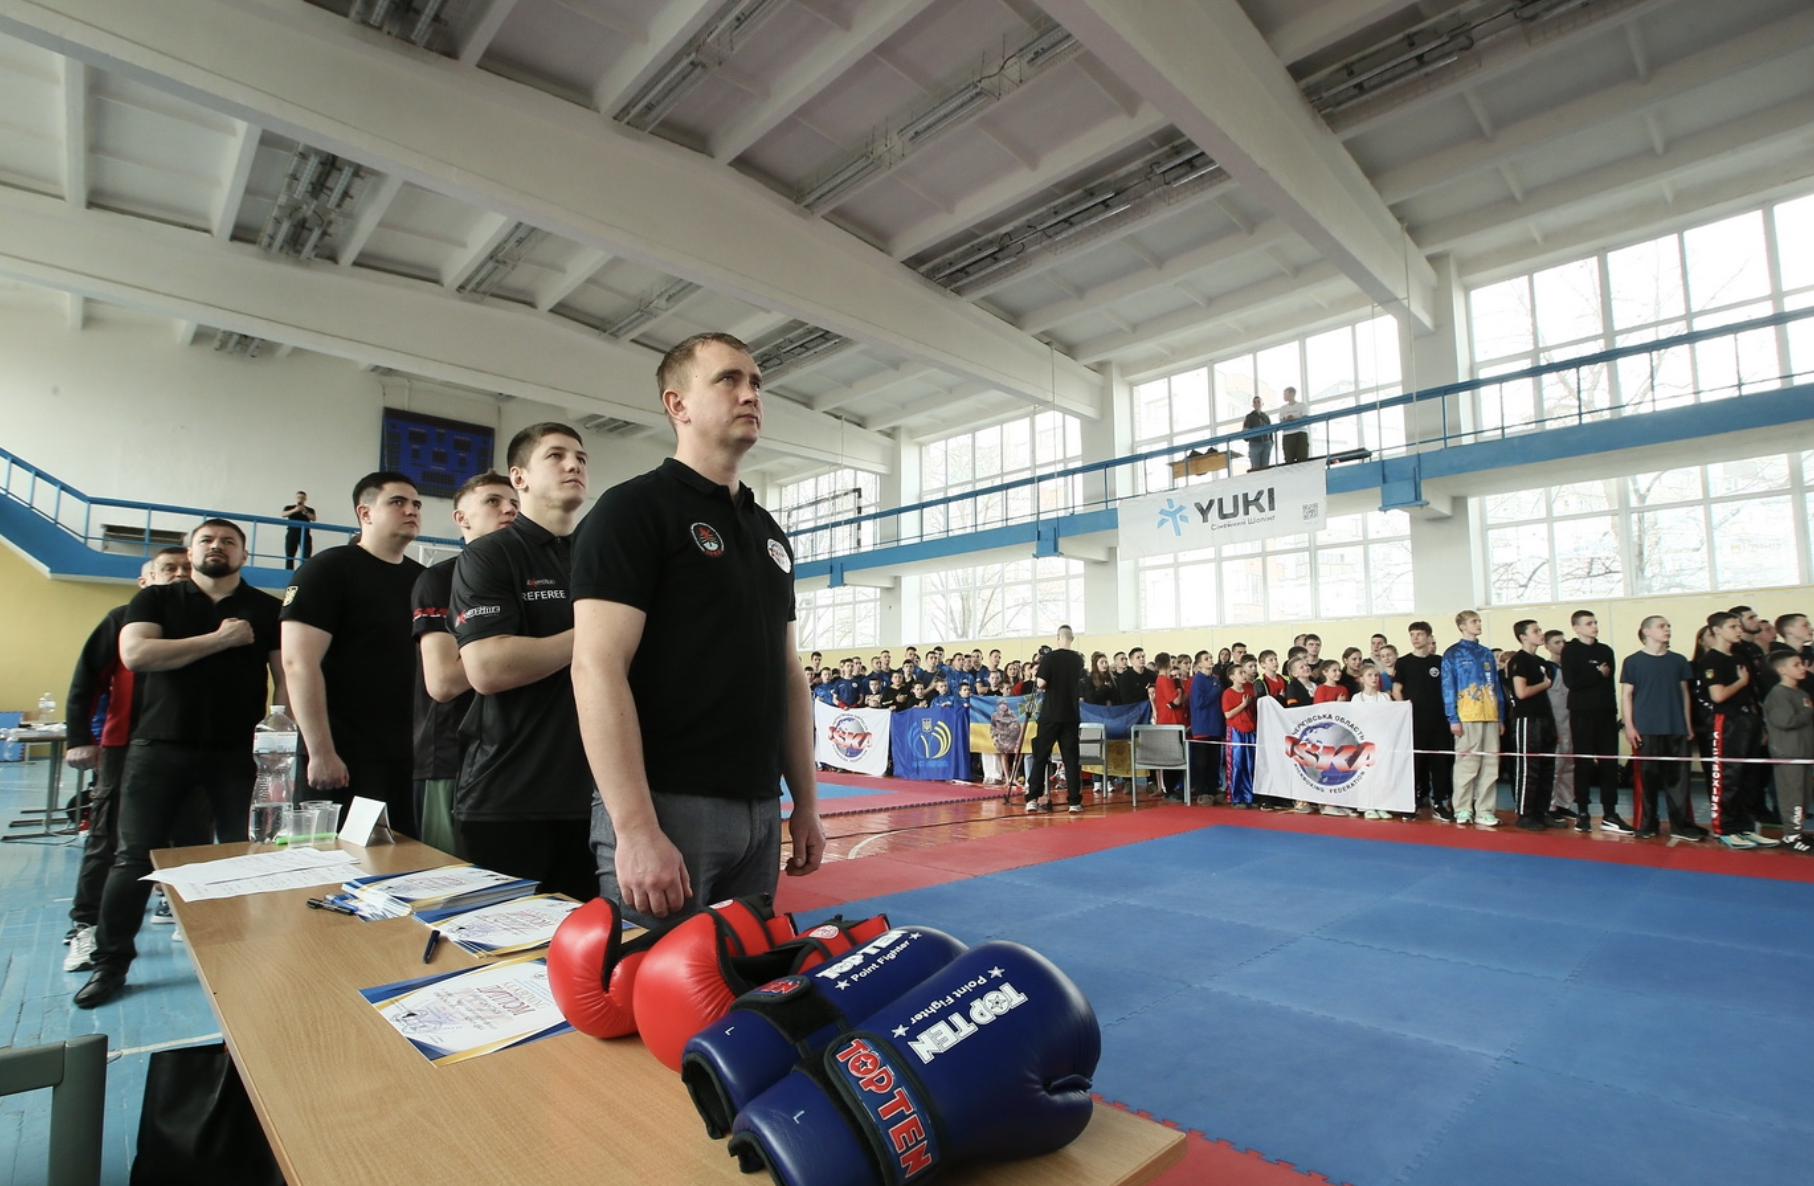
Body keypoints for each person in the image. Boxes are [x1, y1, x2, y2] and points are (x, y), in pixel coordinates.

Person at [569, 332, 823, 928]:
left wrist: (806, 803)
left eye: (755, 382)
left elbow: (789, 674)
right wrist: (635, 828)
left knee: (737, 977)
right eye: (728, 379)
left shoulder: (768, 533)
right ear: (677, 404)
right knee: (652, 982)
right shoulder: (632, 511)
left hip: (759, 808)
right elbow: (596, 667)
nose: (750, 394)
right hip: (668, 804)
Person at [75, 518, 284, 1008]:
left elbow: (284, 676)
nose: (217, 547)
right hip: (158, 747)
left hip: (236, 753)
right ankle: (110, 964)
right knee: (134, 858)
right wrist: (220, 639)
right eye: (207, 540)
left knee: (244, 857)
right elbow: (136, 654)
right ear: (191, 553)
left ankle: (240, 958)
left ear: (244, 555)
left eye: (229, 542)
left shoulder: (265, 608)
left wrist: (288, 737)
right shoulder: (156, 599)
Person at [449, 425, 596, 900]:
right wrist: (599, 634)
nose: (574, 464)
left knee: (593, 942)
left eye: (581, 457)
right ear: (520, 478)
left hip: (596, 799)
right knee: (502, 943)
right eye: (556, 455)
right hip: (509, 796)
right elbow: (488, 668)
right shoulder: (490, 555)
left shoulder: (602, 556)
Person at [60, 547, 193, 974]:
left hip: (187, 747)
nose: (179, 574)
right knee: (110, 839)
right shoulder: (121, 620)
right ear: (145, 580)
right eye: (169, 569)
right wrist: (80, 738)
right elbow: (87, 681)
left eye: (186, 568)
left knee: (186, 834)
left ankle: (174, 902)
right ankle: (86, 925)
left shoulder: (203, 623)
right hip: (126, 747)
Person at [281, 471, 425, 837]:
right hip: (343, 754)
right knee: (335, 863)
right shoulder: (327, 570)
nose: (411, 510)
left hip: (408, 755)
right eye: (398, 502)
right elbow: (298, 664)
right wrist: (320, 751)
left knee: (406, 860)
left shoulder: (424, 580)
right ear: (365, 513)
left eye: (416, 504)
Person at [411, 473, 518, 855]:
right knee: (451, 879)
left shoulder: (529, 580)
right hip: (452, 758)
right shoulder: (439, 580)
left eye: (515, 504)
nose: (508, 509)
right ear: (461, 518)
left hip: (517, 758)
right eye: (493, 501)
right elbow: (443, 682)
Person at [1619, 616, 1707, 842]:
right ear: (1646, 631)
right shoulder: (1633, 662)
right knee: (1646, 780)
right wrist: (1630, 725)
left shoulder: (1678, 661)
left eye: (1668, 626)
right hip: (1646, 729)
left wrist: (1687, 724)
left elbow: (1685, 694)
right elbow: (1626, 695)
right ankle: (1647, 824)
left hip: (1675, 727)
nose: (1667, 629)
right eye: (1661, 626)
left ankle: (1681, 825)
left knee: (1679, 780)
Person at [1700, 611, 1775, 848]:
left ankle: (1746, 827)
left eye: (1738, 626)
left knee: (1749, 777)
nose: (1739, 630)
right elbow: (1718, 695)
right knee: (1728, 776)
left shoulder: (1739, 657)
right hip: (1727, 721)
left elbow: (1750, 695)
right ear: (1717, 630)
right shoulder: (1711, 660)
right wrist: (1740, 682)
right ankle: (1726, 828)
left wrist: (1758, 723)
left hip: (1747, 720)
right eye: (1733, 627)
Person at [1561, 610, 1632, 834]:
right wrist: (1596, 673)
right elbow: (1572, 682)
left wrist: (1614, 711)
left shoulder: (1605, 650)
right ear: (1577, 628)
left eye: (1595, 622)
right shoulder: (1570, 651)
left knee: (1609, 764)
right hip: (1582, 714)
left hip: (1605, 714)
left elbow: (1608, 681)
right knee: (1583, 763)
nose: (1594, 626)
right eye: (1589, 623)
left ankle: (1610, 813)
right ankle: (1583, 811)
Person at [1443, 610, 1505, 827]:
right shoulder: (1453, 653)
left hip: (1490, 714)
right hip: (1467, 715)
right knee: (1467, 764)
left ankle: (1485, 810)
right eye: (1473, 621)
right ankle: (1462, 808)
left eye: (1479, 621)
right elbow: (1448, 686)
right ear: (1462, 626)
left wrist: (1500, 716)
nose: (1478, 624)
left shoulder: (1486, 653)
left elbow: (1496, 685)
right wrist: (1453, 717)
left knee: (1490, 764)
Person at [1027, 626, 1086, 813]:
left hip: (1051, 713)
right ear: (1072, 638)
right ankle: (1074, 802)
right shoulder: (1078, 659)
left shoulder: (1050, 658)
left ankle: (1033, 798)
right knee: (1071, 758)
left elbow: (1041, 683)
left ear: (1058, 637)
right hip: (1071, 714)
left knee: (1041, 756)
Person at [1506, 619, 1556, 832]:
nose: (1541, 634)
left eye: (1540, 630)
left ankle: (1541, 811)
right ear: (1523, 636)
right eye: (1536, 631)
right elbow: (1521, 692)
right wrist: (1545, 685)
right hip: (1527, 719)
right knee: (1529, 768)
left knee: (1546, 767)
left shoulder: (1541, 662)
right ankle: (1525, 814)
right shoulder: (1519, 660)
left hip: (1545, 717)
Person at [1763, 651, 1813, 853]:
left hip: (1805, 753)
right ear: (1782, 670)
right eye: (1796, 665)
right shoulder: (1778, 694)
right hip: (1789, 754)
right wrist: (1808, 711)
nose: (1802, 668)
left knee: (1804, 796)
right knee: (1792, 796)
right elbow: (1785, 721)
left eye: (1801, 664)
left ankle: (1798, 832)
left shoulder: (1801, 693)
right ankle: (1791, 835)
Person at [1541, 629, 1577, 824]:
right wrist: (1551, 727)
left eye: (1563, 641)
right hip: (1556, 723)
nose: (1561, 645)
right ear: (1547, 646)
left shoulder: (1571, 669)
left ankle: (1564, 803)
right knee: (1555, 766)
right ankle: (1550, 805)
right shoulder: (1548, 669)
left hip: (1571, 722)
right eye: (1556, 642)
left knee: (1569, 765)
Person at [1188, 650, 1225, 803]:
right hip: (1202, 725)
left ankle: (1213, 788)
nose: (1210, 660)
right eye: (1206, 658)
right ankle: (1201, 790)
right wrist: (1215, 691)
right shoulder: (1198, 680)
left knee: (1214, 760)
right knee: (1202, 761)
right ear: (1199, 664)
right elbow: (1199, 702)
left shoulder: (1216, 680)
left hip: (1215, 724)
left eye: (1210, 657)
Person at [1221, 664, 1258, 807]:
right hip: (1236, 730)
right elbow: (1228, 714)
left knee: (1250, 764)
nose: (1244, 675)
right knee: (1236, 764)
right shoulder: (1228, 693)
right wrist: (1243, 705)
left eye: (1244, 672)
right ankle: (1235, 797)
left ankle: (1249, 796)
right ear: (1232, 677)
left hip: (1250, 729)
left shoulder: (1249, 690)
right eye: (1240, 673)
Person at [281, 491, 317, 570]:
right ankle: (289, 573)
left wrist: (305, 511)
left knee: (306, 557)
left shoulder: (309, 509)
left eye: (302, 498)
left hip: (305, 534)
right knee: (290, 556)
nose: (300, 499)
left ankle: (304, 572)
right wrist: (295, 510)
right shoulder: (289, 507)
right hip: (292, 534)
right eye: (299, 497)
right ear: (296, 498)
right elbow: (283, 514)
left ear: (305, 499)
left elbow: (313, 518)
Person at [1278, 386, 1309, 464]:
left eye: (1285, 394)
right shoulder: (1283, 408)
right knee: (1289, 459)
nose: (1284, 396)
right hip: (1288, 434)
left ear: (1292, 394)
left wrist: (1295, 418)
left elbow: (1305, 417)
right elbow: (1281, 419)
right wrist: (1286, 419)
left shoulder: (1302, 405)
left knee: (1302, 457)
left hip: (1300, 432)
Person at [1242, 395, 1272, 470]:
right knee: (1256, 468)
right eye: (1254, 402)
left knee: (1265, 467)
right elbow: (1246, 430)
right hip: (1255, 444)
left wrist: (1270, 442)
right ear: (1253, 405)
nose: (1256, 404)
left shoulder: (1265, 417)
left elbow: (1270, 430)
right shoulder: (1250, 417)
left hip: (1266, 443)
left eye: (1258, 402)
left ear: (1262, 404)